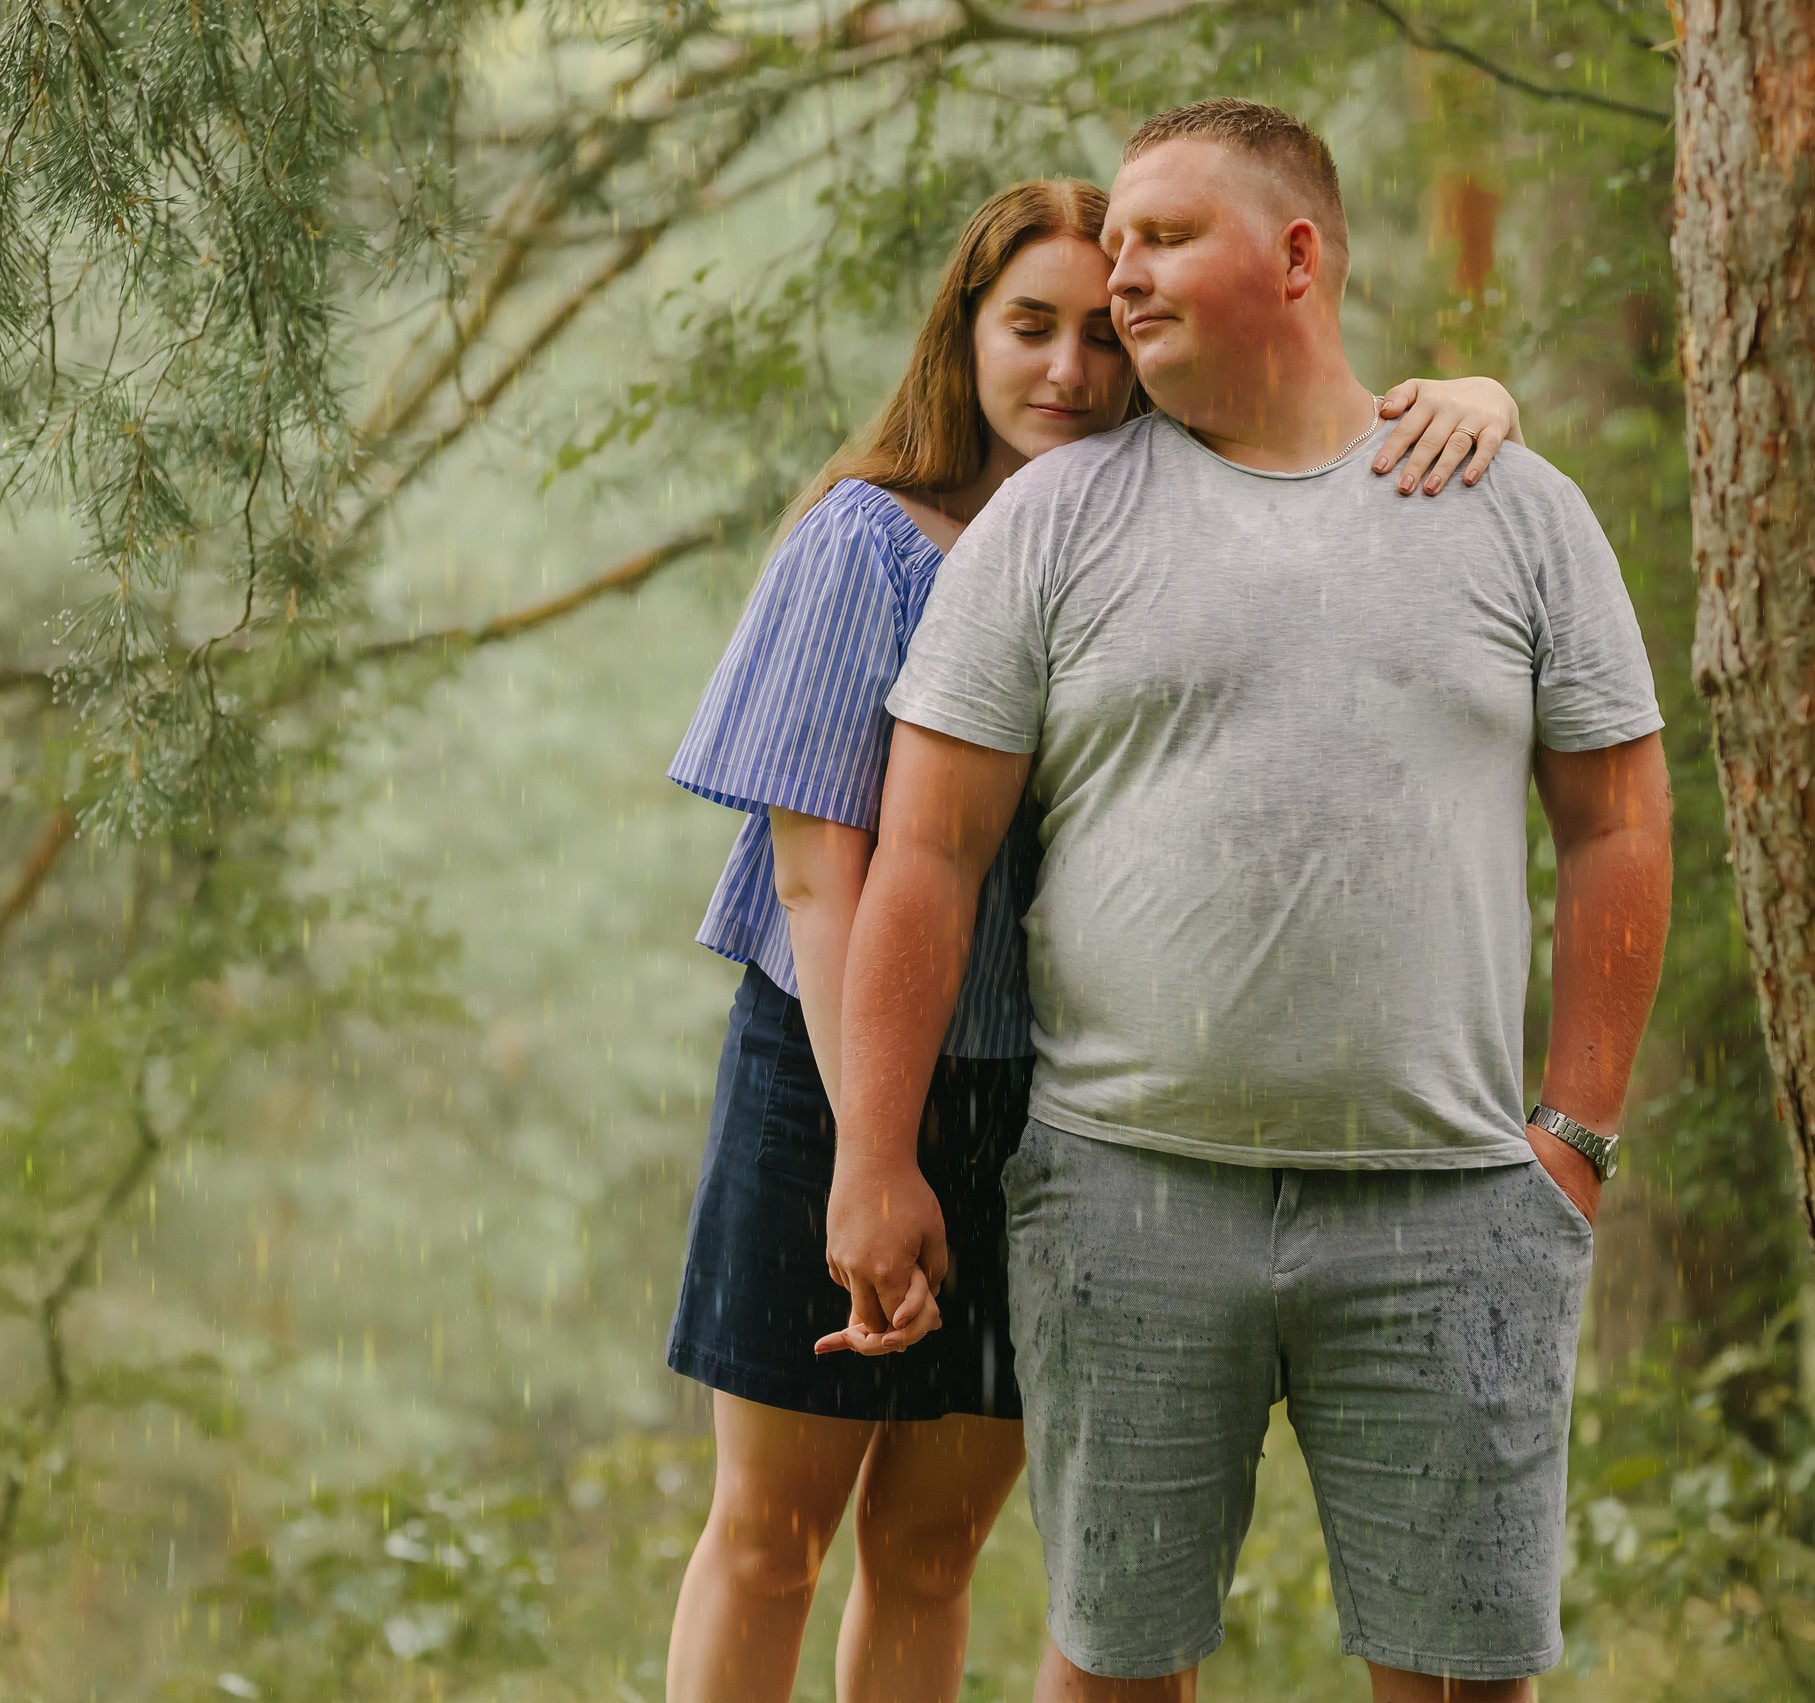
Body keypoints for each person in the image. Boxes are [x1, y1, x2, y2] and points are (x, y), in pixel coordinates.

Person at [825, 102, 1673, 1703]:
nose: (1117, 274)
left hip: (1449, 1205)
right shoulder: (1053, 520)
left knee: (1464, 1684)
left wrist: (1574, 1139)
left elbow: (1619, 820)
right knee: (1111, 1672)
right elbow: (923, 851)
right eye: (1114, 242)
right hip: (1126, 1200)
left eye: (1161, 239)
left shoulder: (1512, 508)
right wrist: (871, 1156)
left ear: (1294, 256)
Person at [660, 175, 1528, 1703]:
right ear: (964, 336)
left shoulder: (1148, 541)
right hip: (829, 1083)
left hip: (1043, 1106)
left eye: (1099, 338)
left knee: (931, 1553)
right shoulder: (867, 547)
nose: (1067, 371)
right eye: (1027, 326)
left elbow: (1327, 429)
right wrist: (873, 1150)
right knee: (773, 1535)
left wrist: (1476, 394)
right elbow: (818, 886)